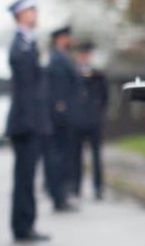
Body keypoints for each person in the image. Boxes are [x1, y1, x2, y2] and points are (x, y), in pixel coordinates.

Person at [5, 0, 51, 242]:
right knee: (24, 176)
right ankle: (22, 225)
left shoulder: (29, 42)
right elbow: (27, 90)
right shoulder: (21, 44)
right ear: (21, 15)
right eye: (30, 11)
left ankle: (26, 223)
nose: (35, 15)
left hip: (31, 121)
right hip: (25, 123)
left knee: (28, 176)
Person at [44, 25, 80, 211]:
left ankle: (62, 194)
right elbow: (58, 90)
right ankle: (59, 196)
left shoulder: (63, 59)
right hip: (61, 118)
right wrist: (61, 109)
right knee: (59, 157)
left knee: (65, 157)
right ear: (60, 39)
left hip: (66, 116)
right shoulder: (57, 61)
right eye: (67, 37)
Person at [72, 41, 108, 200]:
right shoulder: (73, 73)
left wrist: (99, 112)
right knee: (76, 156)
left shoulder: (97, 74)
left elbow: (104, 96)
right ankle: (75, 186)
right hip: (78, 120)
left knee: (96, 155)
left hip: (93, 120)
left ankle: (98, 187)